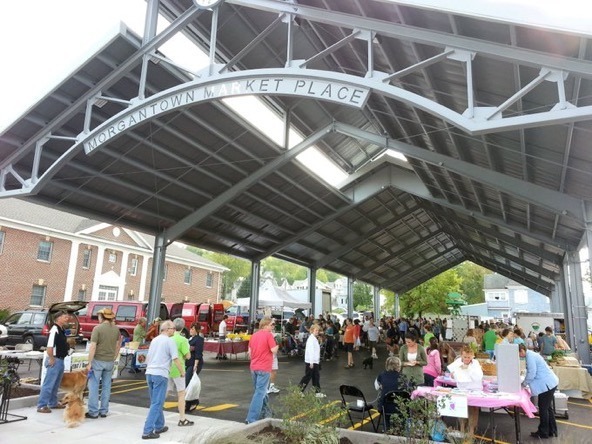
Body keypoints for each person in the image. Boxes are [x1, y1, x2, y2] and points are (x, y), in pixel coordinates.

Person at [141, 320, 185, 440]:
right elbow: (176, 359)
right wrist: (182, 372)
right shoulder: (169, 341)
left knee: (155, 401)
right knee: (157, 403)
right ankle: (147, 430)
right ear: (167, 329)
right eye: (173, 328)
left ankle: (159, 426)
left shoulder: (155, 340)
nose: (174, 330)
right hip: (160, 374)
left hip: (149, 372)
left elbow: (148, 357)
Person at [86, 308, 121, 419]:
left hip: (97, 360)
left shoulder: (97, 329)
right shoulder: (116, 329)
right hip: (109, 361)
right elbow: (118, 345)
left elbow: (93, 346)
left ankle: (93, 411)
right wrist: (114, 357)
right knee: (106, 386)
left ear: (102, 316)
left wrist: (89, 362)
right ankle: (104, 411)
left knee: (94, 386)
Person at [518, 344, 559, 439]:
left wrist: (523, 384)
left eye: (519, 354)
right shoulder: (531, 355)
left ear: (522, 350)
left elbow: (532, 373)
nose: (519, 356)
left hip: (546, 385)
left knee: (543, 408)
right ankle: (552, 430)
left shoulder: (530, 357)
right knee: (548, 408)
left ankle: (543, 432)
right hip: (549, 383)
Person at [245, 316, 278, 424]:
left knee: (261, 391)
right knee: (260, 392)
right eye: (271, 325)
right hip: (264, 367)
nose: (273, 327)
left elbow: (249, 353)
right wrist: (277, 344)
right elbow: (273, 350)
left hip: (254, 367)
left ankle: (266, 413)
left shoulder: (254, 336)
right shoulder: (269, 336)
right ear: (265, 325)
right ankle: (251, 418)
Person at [37, 310, 70, 413]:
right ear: (58, 318)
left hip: (60, 359)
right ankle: (42, 405)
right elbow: (49, 346)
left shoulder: (61, 329)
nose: (67, 318)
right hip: (55, 360)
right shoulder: (54, 329)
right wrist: (51, 358)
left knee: (55, 384)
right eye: (65, 317)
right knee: (49, 383)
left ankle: (53, 403)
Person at [447, 346, 483, 439]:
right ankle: (462, 429)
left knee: (472, 410)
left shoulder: (475, 363)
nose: (466, 359)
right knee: (461, 408)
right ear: (461, 356)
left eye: (468, 357)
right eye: (465, 357)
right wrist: (452, 375)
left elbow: (478, 376)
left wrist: (468, 369)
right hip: (462, 389)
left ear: (472, 357)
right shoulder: (457, 362)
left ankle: (471, 431)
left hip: (474, 390)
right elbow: (453, 374)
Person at [168, 318, 194, 427]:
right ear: (183, 327)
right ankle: (182, 419)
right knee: (181, 394)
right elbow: (188, 356)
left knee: (163, 394)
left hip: (167, 368)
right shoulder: (183, 340)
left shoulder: (168, 338)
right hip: (179, 369)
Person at [298, 324, 325, 397]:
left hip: (314, 361)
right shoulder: (311, 339)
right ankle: (299, 391)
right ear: (312, 330)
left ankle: (317, 392)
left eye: (318, 330)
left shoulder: (314, 338)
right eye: (316, 330)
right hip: (311, 361)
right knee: (308, 376)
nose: (317, 332)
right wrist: (311, 362)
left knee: (315, 376)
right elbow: (311, 351)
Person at [374, 356, 402, 428]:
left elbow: (376, 387)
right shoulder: (403, 377)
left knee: (385, 409)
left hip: (385, 406)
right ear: (399, 366)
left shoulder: (382, 375)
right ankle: (400, 427)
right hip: (400, 407)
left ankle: (386, 428)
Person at [185, 322, 204, 412]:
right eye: (190, 329)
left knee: (188, 382)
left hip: (194, 363)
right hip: (188, 363)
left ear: (196, 330)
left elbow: (198, 353)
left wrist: (195, 365)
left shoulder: (199, 339)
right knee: (188, 384)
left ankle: (194, 402)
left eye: (192, 329)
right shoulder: (189, 339)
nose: (191, 330)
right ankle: (189, 404)